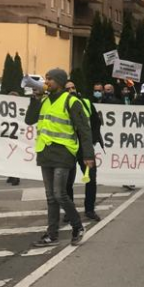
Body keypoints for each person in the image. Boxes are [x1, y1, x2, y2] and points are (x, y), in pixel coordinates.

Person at [24, 69, 94, 247]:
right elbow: (29, 120)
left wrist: (88, 154)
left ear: (60, 82)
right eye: (45, 78)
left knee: (59, 194)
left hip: (63, 153)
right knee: (50, 197)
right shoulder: (45, 100)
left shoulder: (72, 101)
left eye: (50, 79)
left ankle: (77, 227)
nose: (46, 82)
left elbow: (84, 130)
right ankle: (52, 234)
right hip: (45, 152)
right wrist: (35, 99)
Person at [63, 81, 104, 222]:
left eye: (73, 87)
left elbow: (95, 122)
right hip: (69, 146)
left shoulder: (85, 102)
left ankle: (90, 209)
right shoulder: (62, 105)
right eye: (68, 89)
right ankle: (70, 211)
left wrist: (91, 139)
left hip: (84, 147)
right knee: (68, 181)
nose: (71, 90)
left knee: (91, 178)